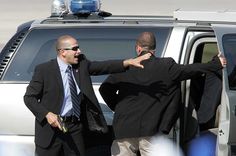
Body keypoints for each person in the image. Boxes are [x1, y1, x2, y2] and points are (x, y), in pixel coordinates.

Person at [99, 32, 226, 156]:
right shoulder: (166, 66)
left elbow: (104, 89)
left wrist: (118, 106)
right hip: (151, 130)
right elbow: (192, 70)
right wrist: (216, 64)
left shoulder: (124, 67)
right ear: (154, 49)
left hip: (123, 129)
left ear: (138, 48)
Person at [23, 35, 151, 156]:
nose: (79, 51)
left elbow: (102, 66)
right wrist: (47, 114)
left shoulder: (81, 64)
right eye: (74, 49)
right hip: (50, 130)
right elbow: (29, 98)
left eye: (78, 47)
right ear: (62, 52)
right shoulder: (44, 70)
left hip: (74, 128)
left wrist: (128, 62)